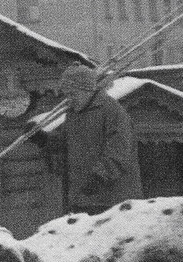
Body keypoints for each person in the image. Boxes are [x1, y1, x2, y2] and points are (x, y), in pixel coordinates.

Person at [37, 64, 141, 214]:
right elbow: (67, 144)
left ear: (87, 90)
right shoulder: (74, 114)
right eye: (66, 94)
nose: (69, 99)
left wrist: (99, 176)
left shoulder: (112, 111)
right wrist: (44, 140)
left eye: (73, 94)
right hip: (83, 198)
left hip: (114, 200)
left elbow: (119, 150)